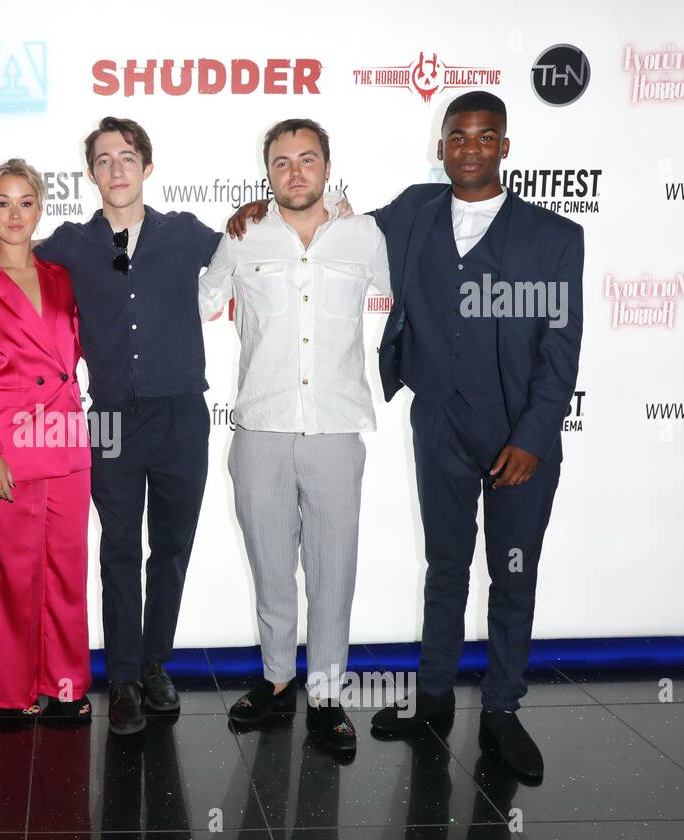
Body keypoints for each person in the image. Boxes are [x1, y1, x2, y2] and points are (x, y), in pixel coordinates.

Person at [231, 91, 583, 780]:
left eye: (486, 137)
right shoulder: (412, 213)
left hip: (521, 435)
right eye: (458, 136)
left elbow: (561, 349)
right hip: (440, 424)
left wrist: (537, 435)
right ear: (442, 145)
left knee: (512, 576)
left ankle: (504, 712)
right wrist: (259, 212)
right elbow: (333, 222)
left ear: (504, 146)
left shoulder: (555, 235)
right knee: (446, 568)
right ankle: (433, 700)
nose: (471, 148)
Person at [0, 117, 221, 735]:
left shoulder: (185, 233)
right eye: (103, 160)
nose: (117, 169)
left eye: (128, 158)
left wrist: (261, 209)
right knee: (117, 549)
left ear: (146, 167)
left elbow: (246, 250)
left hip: (179, 415)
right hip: (108, 423)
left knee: (170, 550)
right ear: (91, 174)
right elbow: (5, 254)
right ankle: (122, 678)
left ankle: (155, 664)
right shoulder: (69, 247)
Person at [199, 119, 389, 756]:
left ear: (328, 168)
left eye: (308, 160)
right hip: (259, 429)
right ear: (268, 173)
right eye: (282, 163)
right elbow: (198, 301)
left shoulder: (366, 237)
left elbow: (414, 295)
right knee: (272, 565)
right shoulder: (243, 234)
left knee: (334, 571)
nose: (296, 172)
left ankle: (329, 695)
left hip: (335, 429)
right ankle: (278, 681)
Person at [0, 158, 92, 718]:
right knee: (11, 574)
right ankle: (10, 693)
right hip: (8, 446)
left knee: (66, 571)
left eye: (25, 202)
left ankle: (63, 686)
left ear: (40, 209)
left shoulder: (61, 276)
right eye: (2, 202)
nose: (14, 213)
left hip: (67, 440)